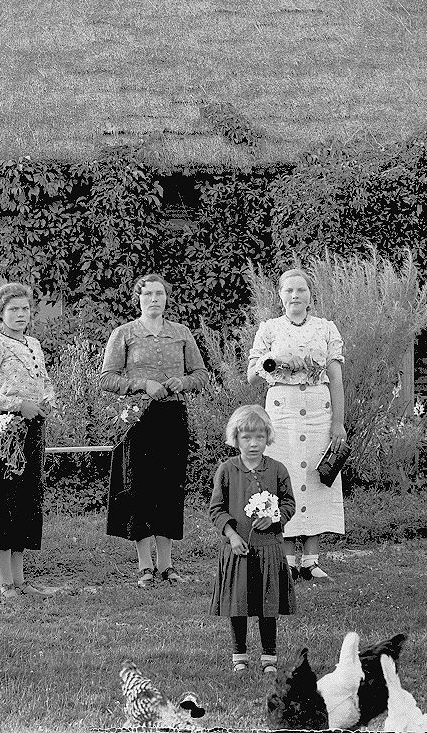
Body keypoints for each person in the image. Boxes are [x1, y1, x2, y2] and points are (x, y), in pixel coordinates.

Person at [102, 273, 211, 587]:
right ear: (138, 298)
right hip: (137, 420)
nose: (153, 299)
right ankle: (145, 566)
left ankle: (167, 565)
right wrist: (141, 384)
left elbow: (201, 374)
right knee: (140, 489)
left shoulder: (181, 333)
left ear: (166, 298)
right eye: (147, 294)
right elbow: (106, 378)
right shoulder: (124, 333)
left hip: (172, 416)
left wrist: (184, 382)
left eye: (159, 294)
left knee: (169, 488)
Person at [247, 267, 347, 580]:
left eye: (301, 290)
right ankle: (287, 559)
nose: (295, 296)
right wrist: (276, 361)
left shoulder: (325, 328)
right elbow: (252, 373)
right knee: (284, 476)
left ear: (310, 295)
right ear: (280, 295)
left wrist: (338, 423)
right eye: (289, 290)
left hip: (319, 408)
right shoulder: (269, 329)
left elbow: (336, 377)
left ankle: (311, 560)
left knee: (318, 478)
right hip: (283, 409)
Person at [0, 282, 56, 599]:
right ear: (1, 313)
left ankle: (21, 581)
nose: (20, 315)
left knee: (26, 501)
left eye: (25, 309)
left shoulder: (33, 343)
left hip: (33, 429)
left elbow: (43, 381)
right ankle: (5, 583)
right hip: (7, 431)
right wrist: (18, 404)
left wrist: (48, 399)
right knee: (4, 501)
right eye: (13, 309)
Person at [209, 405, 296, 675]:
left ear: (267, 437)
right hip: (238, 550)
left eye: (259, 437)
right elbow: (216, 509)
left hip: (269, 548)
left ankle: (269, 656)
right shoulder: (227, 470)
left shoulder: (278, 470)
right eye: (246, 438)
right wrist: (232, 535)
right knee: (238, 604)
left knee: (267, 604)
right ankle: (240, 656)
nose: (253, 443)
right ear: (235, 439)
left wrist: (275, 519)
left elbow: (290, 504)